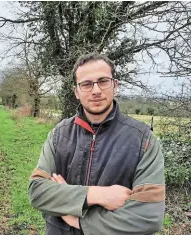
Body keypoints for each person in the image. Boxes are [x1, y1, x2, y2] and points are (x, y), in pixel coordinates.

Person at [28, 53, 165, 235]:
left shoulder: (142, 139)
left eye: (103, 81)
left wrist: (78, 219)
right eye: (86, 84)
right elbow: (37, 192)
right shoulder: (59, 134)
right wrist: (97, 195)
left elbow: (148, 216)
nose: (96, 90)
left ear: (114, 85)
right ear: (76, 92)